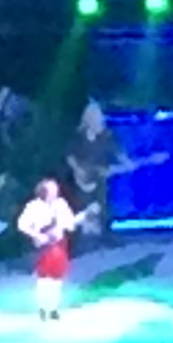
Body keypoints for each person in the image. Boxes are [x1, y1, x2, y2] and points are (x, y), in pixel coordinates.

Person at [65, 101, 125, 240]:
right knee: (81, 208)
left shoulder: (106, 136)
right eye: (95, 115)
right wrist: (78, 169)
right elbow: (69, 155)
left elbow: (118, 153)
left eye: (99, 116)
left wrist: (127, 163)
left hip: (100, 177)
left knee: (102, 205)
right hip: (82, 180)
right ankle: (79, 238)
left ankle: (105, 236)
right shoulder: (78, 136)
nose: (98, 119)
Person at [18, 177, 75, 321]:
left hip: (59, 244)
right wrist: (37, 235)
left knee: (57, 278)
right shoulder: (33, 206)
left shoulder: (61, 204)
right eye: (52, 189)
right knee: (44, 279)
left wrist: (67, 224)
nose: (56, 191)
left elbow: (70, 223)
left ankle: (54, 308)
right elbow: (22, 225)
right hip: (43, 246)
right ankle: (43, 308)